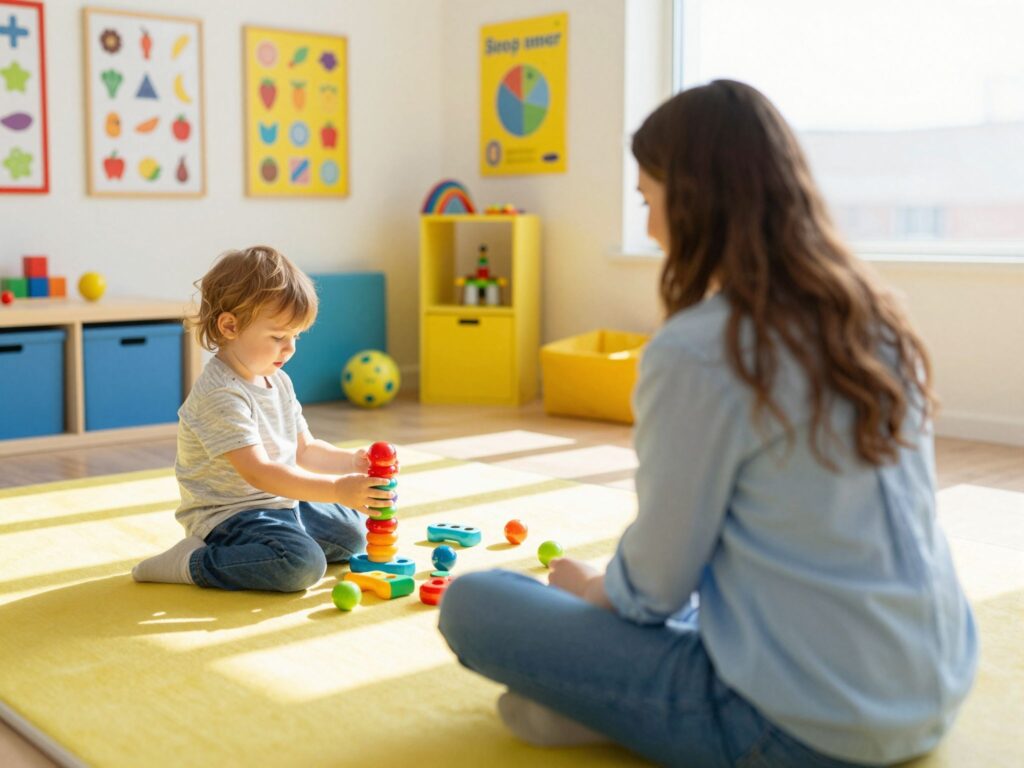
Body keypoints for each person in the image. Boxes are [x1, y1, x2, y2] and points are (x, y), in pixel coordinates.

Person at [438, 81, 977, 766]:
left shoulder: (701, 350)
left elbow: (654, 590)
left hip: (804, 728)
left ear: (692, 203)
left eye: (648, 201)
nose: (649, 229)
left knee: (475, 601)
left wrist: (590, 589)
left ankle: (608, 711)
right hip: (933, 691)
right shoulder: (875, 318)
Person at [132, 245, 392, 591]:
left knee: (354, 534)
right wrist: (334, 489)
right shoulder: (220, 394)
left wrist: (352, 462)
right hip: (230, 517)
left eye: (295, 336)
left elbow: (304, 450)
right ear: (230, 326)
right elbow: (258, 472)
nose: (290, 348)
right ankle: (192, 562)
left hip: (281, 501)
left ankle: (281, 541)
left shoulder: (278, 380)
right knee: (302, 566)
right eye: (278, 337)